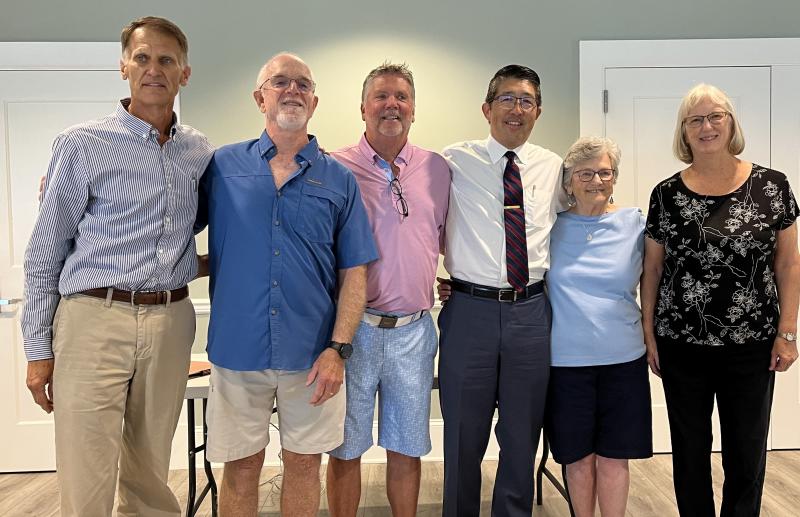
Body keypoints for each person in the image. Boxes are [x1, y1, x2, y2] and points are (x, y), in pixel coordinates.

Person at [21, 16, 214, 516]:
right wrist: (37, 349)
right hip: (93, 319)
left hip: (171, 321)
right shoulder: (81, 144)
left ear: (184, 73)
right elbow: (46, 249)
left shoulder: (199, 150)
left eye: (167, 60)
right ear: (124, 66)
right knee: (87, 470)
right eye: (144, 58)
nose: (155, 69)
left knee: (150, 471)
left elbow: (188, 228)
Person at [195, 52, 378, 517]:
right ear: (260, 97)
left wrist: (338, 349)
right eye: (280, 82)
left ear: (314, 101)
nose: (291, 90)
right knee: (240, 468)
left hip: (312, 354)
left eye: (302, 83)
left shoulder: (339, 178)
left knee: (303, 466)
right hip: (238, 350)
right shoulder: (221, 168)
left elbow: (354, 270)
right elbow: (167, 222)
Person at [641, 83, 799, 516]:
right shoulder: (666, 195)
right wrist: (648, 331)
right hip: (681, 344)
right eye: (695, 120)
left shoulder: (772, 186)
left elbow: (788, 265)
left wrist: (787, 332)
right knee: (689, 453)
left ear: (731, 123)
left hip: (753, 345)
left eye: (716, 116)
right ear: (684, 132)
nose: (706, 126)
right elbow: (652, 269)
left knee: (746, 454)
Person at [437, 64, 565, 517]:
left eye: (526, 101)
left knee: (520, 434)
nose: (517, 109)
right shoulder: (452, 161)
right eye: (507, 99)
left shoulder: (555, 168)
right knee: (462, 435)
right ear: (487, 109)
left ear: (538, 111)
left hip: (531, 313)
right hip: (468, 310)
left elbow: (586, 220)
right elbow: (413, 223)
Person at [325, 63, 450, 517]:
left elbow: (448, 239)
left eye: (401, 96)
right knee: (344, 447)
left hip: (415, 332)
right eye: (381, 96)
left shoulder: (438, 169)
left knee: (407, 446)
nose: (391, 104)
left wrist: (453, 279)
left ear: (413, 108)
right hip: (352, 332)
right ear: (363, 108)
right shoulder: (335, 167)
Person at [545, 136, 653, 517]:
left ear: (615, 177)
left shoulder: (636, 223)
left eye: (604, 172)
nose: (595, 181)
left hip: (623, 359)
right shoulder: (549, 229)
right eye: (585, 173)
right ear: (569, 181)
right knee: (576, 459)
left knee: (613, 458)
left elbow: (656, 283)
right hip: (565, 363)